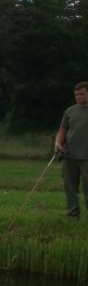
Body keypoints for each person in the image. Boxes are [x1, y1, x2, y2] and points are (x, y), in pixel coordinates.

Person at [55, 81, 88, 220]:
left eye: (82, 94)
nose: (78, 97)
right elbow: (63, 130)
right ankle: (73, 215)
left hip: (86, 156)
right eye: (76, 94)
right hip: (70, 155)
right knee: (70, 187)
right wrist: (58, 143)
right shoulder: (70, 111)